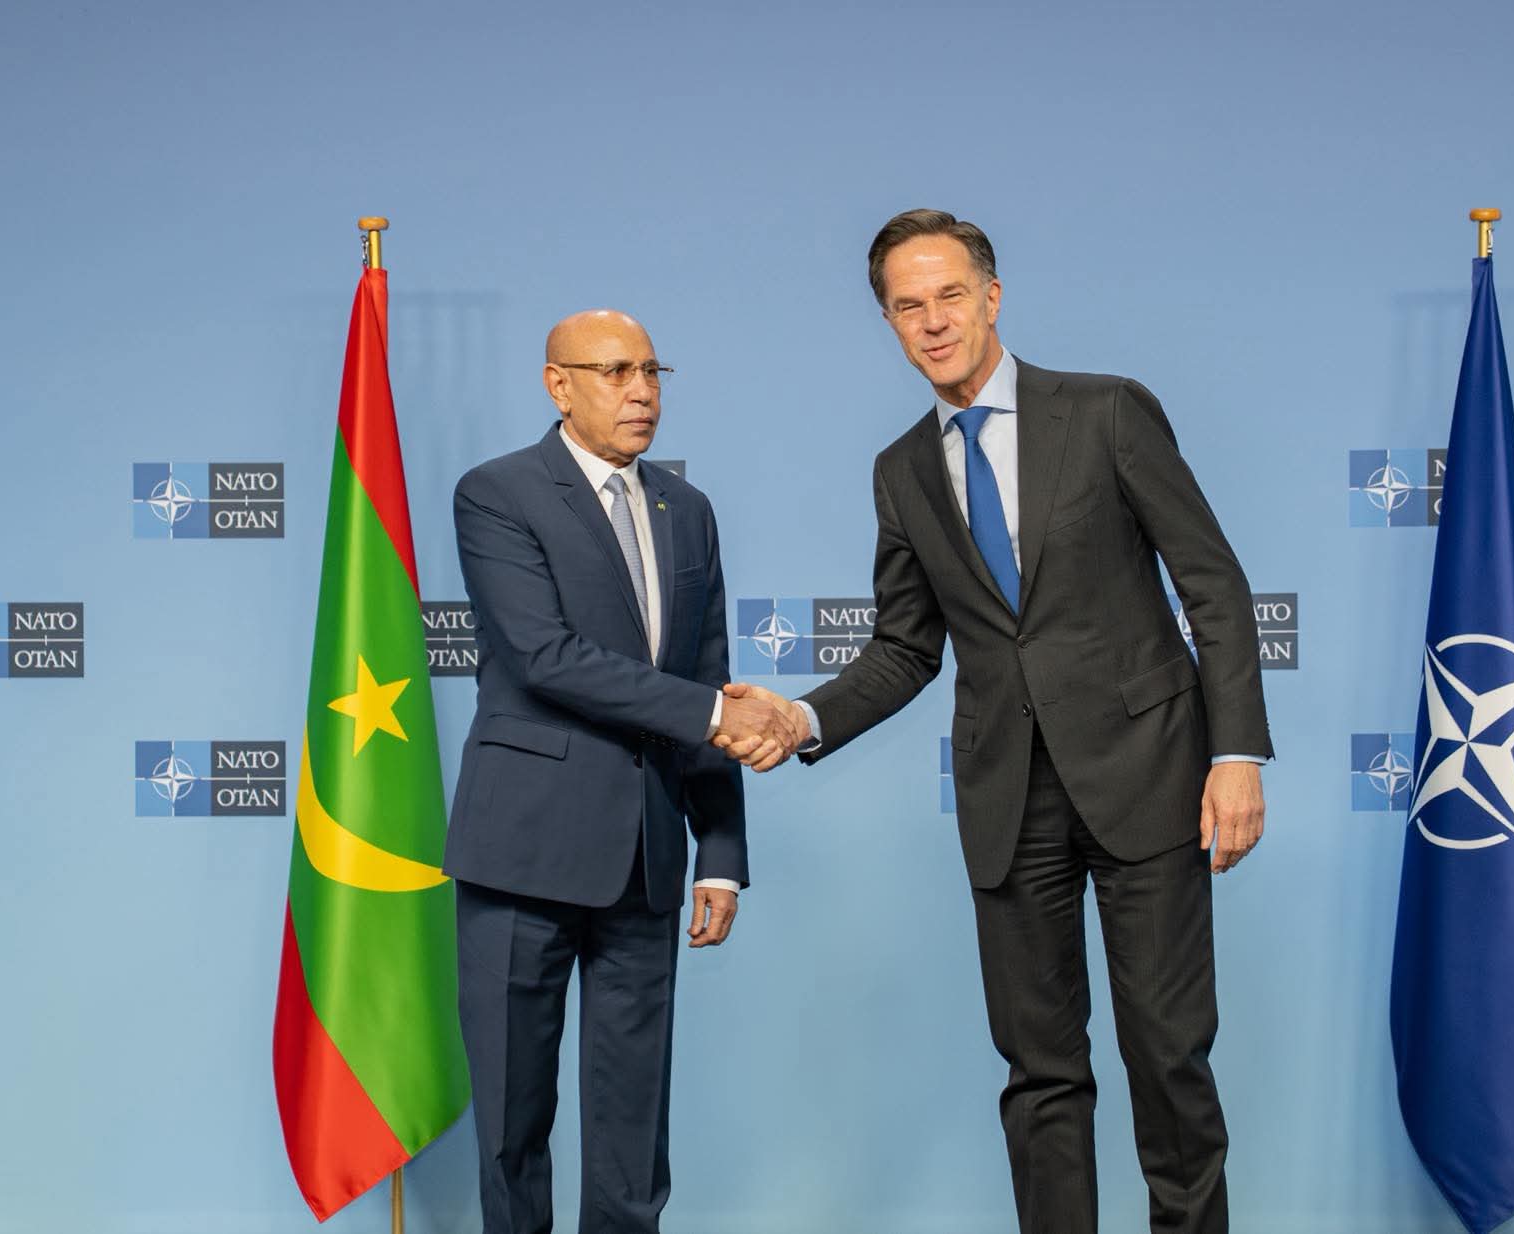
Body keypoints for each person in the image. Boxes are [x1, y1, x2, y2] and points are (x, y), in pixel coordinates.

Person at [724, 210, 1273, 1234]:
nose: (933, 321)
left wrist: (1235, 752)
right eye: (908, 306)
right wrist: (800, 716)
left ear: (991, 296)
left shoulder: (1106, 411)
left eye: (948, 295)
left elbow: (1212, 583)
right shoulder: (900, 470)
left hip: (1149, 774)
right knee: (1039, 1072)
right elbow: (904, 648)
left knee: (1167, 1056)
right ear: (889, 322)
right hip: (1007, 799)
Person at [447, 309, 796, 1234]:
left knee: (634, 1138)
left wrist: (720, 850)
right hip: (521, 856)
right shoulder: (497, 493)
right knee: (512, 1124)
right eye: (614, 372)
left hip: (646, 861)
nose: (641, 392)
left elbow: (707, 674)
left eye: (651, 371)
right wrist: (717, 715)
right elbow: (544, 657)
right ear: (558, 385)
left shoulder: (689, 510)